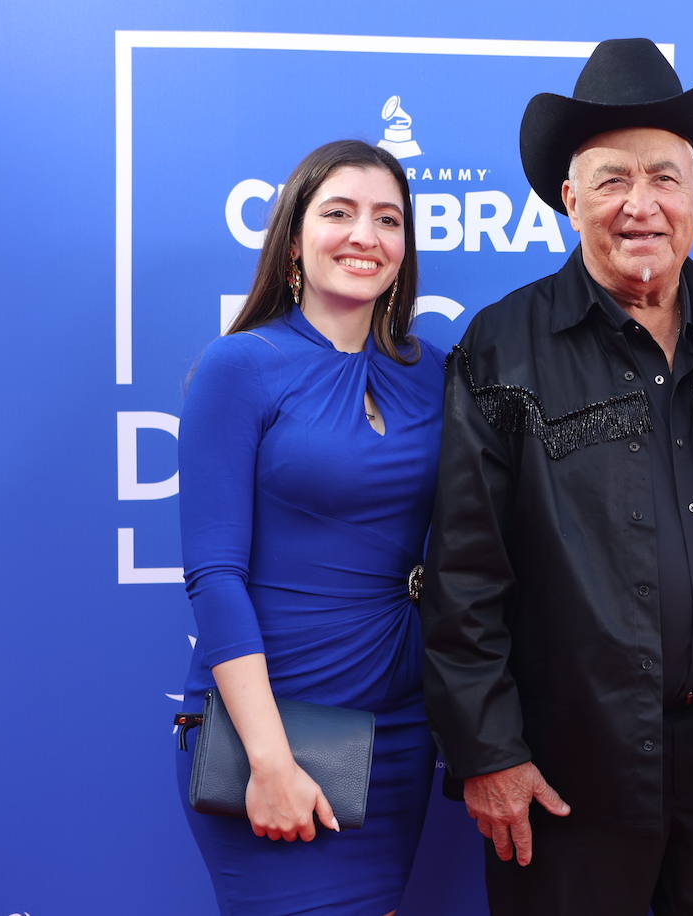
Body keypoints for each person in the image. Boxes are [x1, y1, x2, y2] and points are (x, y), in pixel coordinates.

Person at [420, 38, 693, 916]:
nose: (641, 205)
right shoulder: (500, 349)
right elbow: (464, 576)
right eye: (612, 179)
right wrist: (489, 753)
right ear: (569, 199)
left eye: (664, 177)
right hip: (568, 770)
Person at [176, 139, 444, 915]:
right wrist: (269, 759)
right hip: (276, 735)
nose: (366, 235)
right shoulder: (240, 366)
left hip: (396, 732)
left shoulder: (433, 373)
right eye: (340, 213)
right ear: (294, 239)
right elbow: (213, 576)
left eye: (388, 219)